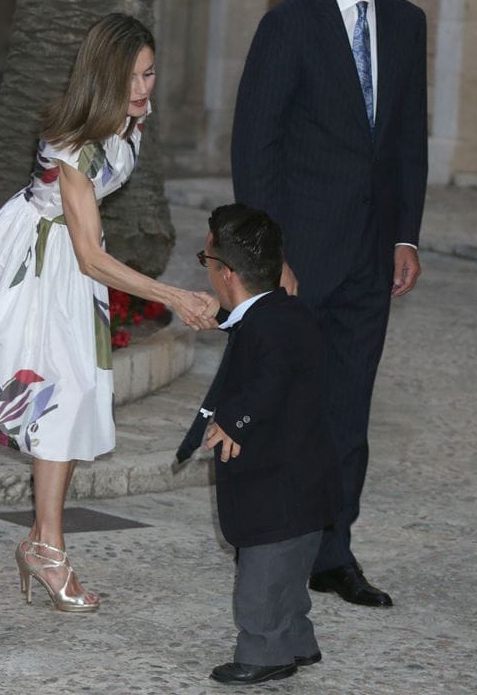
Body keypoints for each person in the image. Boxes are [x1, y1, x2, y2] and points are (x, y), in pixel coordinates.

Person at [0, 12, 217, 613]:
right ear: (103, 79)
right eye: (133, 78)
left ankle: (43, 541)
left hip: (67, 262)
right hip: (34, 266)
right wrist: (176, 296)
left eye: (150, 73)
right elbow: (89, 255)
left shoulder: (125, 125)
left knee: (73, 396)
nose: (144, 89)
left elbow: (87, 247)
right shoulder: (73, 145)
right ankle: (50, 548)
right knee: (56, 402)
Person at [231, 0, 428, 607]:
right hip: (296, 261)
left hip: (371, 261)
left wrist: (405, 234)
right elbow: (256, 148)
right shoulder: (288, 26)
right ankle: (264, 550)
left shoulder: (407, 26)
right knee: (281, 406)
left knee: (347, 409)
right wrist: (264, 256)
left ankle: (331, 551)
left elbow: (406, 142)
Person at [188, 203, 341, 685]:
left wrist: (235, 419)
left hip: (277, 487)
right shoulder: (285, 312)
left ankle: (263, 651)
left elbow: (270, 379)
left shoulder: (269, 325)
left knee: (261, 581)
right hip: (302, 485)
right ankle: (296, 639)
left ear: (226, 273)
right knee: (289, 579)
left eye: (205, 262)